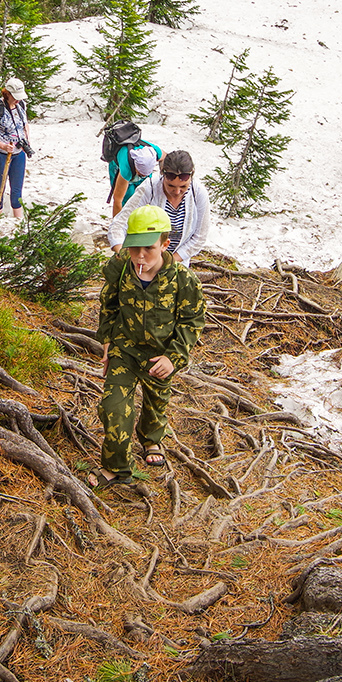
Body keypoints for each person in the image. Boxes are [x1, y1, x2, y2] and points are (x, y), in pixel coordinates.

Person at [93, 205, 206, 486]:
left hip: (160, 355)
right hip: (125, 350)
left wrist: (173, 357)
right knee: (114, 407)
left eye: (149, 249)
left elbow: (192, 321)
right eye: (134, 248)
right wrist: (107, 341)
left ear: (165, 244)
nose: (140, 256)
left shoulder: (183, 279)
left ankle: (151, 440)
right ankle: (116, 468)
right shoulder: (120, 267)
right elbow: (108, 303)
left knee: (156, 404)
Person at [107, 149, 210, 266]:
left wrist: (169, 262)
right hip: (143, 261)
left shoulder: (199, 193)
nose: (177, 192)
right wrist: (124, 254)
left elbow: (200, 236)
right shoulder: (149, 188)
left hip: (177, 263)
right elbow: (119, 224)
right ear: (162, 174)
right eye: (170, 186)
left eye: (183, 186)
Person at [0, 77, 30, 217]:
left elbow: (24, 124)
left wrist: (27, 139)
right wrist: (1, 145)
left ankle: (18, 220)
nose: (18, 100)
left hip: (18, 153)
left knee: (17, 189)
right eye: (15, 97)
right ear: (7, 93)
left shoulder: (21, 105)